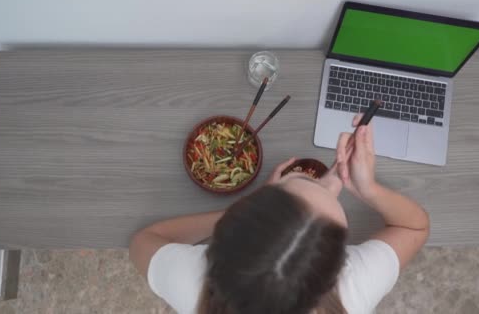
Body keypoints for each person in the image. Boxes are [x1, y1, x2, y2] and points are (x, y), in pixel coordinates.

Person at [130, 115, 430, 314]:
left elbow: (144, 241)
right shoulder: (357, 288)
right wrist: (368, 188)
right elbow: (414, 228)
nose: (330, 180)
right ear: (338, 269)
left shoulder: (188, 279)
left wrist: (238, 211)